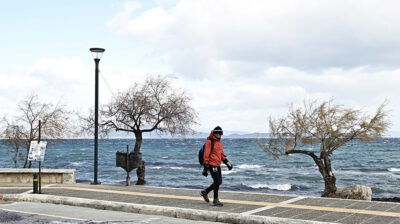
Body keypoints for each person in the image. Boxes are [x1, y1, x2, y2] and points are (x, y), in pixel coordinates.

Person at [200, 126, 233, 206]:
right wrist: (206, 166)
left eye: (221, 134)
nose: (221, 135)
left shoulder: (218, 142)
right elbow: (206, 155)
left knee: (219, 182)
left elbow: (221, 155)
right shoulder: (209, 142)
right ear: (215, 133)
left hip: (217, 164)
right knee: (217, 181)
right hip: (212, 164)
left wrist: (227, 163)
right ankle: (215, 200)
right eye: (219, 134)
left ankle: (205, 192)